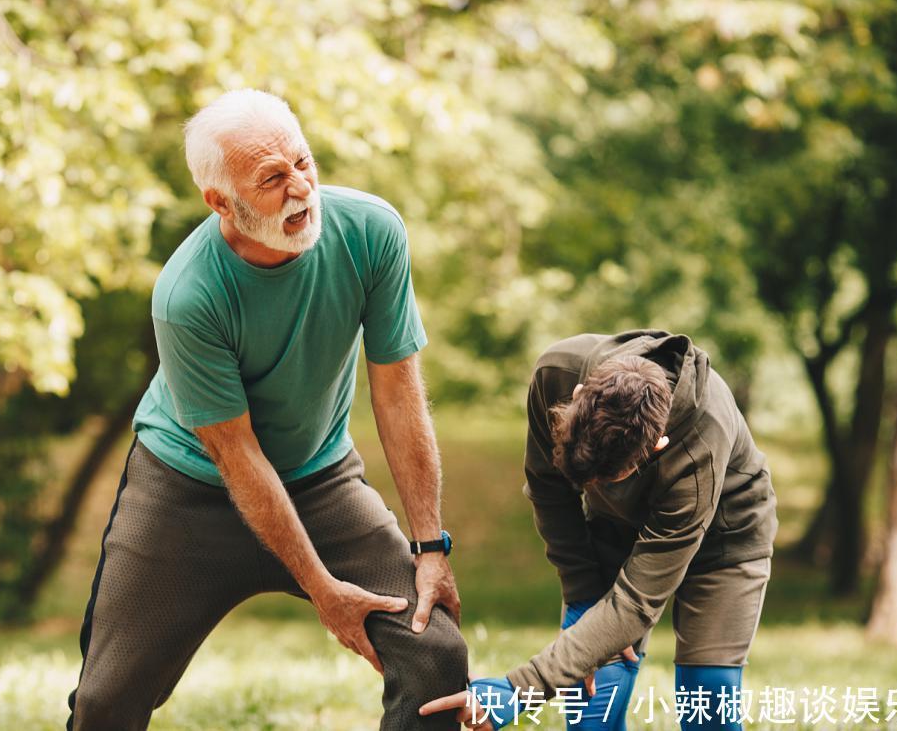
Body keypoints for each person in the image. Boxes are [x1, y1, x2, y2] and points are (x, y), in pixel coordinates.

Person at [65, 89, 468, 730]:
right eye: (273, 179)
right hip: (186, 490)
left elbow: (397, 394)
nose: (302, 190)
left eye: (304, 164)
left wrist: (429, 546)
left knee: (435, 653)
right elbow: (237, 451)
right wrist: (320, 588)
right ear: (221, 202)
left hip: (320, 478)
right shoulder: (188, 294)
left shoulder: (371, 232)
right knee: (105, 702)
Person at [420, 330, 777, 730]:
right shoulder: (555, 374)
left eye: (605, 480)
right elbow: (549, 492)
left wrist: (518, 690)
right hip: (613, 527)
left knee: (707, 697)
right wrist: (586, 600)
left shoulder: (701, 446)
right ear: (575, 397)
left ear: (655, 447)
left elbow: (637, 601)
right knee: (593, 706)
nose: (592, 488)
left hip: (724, 538)